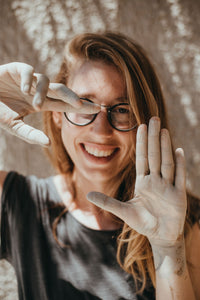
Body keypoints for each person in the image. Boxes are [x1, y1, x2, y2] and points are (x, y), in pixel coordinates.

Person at [0, 32, 199, 300]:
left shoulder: (186, 223)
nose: (101, 130)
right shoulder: (15, 202)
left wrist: (168, 248)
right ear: (57, 114)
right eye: (85, 104)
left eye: (122, 108)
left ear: (146, 120)